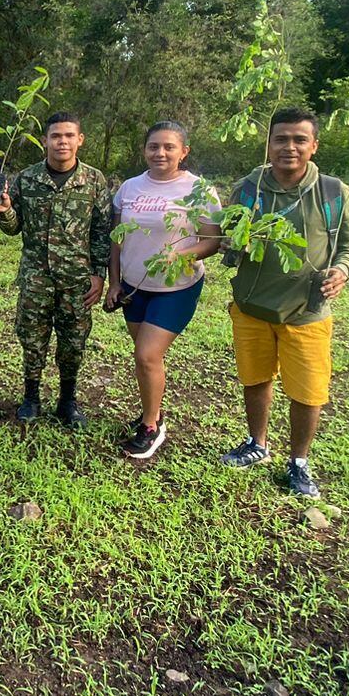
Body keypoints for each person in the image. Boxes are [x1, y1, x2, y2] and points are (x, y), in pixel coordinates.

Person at [218, 106, 349, 499]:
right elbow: (227, 241)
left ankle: (298, 461)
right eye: (280, 139)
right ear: (268, 145)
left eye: (299, 139)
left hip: (307, 310)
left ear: (314, 146)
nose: (290, 147)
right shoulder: (248, 188)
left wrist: (341, 272)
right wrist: (234, 242)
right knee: (255, 378)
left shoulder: (332, 192)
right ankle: (256, 443)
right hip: (251, 306)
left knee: (307, 391)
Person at [106, 122, 223, 459]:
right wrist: (114, 282)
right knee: (146, 359)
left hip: (176, 286)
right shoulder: (129, 188)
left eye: (169, 147)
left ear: (183, 152)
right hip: (133, 285)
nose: (160, 153)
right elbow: (117, 240)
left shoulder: (199, 190)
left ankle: (150, 427)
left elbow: (212, 241)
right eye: (153, 146)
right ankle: (153, 411)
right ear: (144, 150)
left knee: (147, 355)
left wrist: (179, 255)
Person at [0, 113, 113, 427]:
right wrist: (4, 211)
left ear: (80, 140)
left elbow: (101, 230)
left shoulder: (94, 180)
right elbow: (13, 227)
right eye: (56, 136)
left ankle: (67, 401)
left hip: (77, 280)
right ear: (44, 141)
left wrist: (99, 273)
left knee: (73, 341)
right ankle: (31, 397)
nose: (63, 142)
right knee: (32, 339)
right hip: (36, 278)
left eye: (69, 136)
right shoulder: (28, 179)